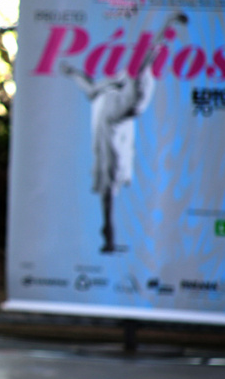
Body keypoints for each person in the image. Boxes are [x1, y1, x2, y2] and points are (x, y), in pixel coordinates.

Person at [61, 13, 187, 253]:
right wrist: (168, 21)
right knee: (109, 179)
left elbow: (153, 49)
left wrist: (169, 22)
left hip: (116, 118)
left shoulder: (134, 81)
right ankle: (108, 231)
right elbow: (91, 87)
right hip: (111, 115)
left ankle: (109, 230)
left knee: (112, 178)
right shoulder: (129, 77)